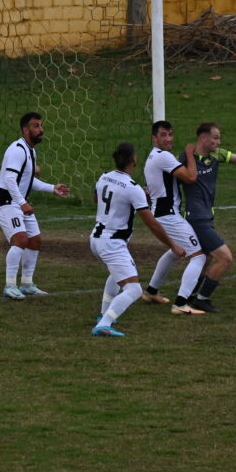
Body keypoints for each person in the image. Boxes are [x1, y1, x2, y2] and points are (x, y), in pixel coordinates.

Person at [89, 143, 185, 337]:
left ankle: (103, 315)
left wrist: (128, 198)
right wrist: (172, 245)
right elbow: (152, 224)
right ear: (134, 160)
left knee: (117, 276)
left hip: (95, 240)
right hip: (112, 243)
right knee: (133, 289)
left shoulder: (104, 176)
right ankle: (104, 324)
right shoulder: (133, 189)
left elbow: (96, 199)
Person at [0, 111, 71, 299]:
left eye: (41, 125)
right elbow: (10, 180)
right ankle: (10, 285)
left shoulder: (30, 151)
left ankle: (26, 283)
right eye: (36, 126)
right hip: (6, 202)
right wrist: (22, 203)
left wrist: (52, 188)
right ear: (25, 130)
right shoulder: (17, 150)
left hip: (17, 202)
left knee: (34, 241)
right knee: (20, 240)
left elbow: (26, 181)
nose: (41, 129)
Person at [178, 122, 236, 313]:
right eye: (215, 137)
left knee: (203, 260)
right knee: (225, 258)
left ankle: (191, 295)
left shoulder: (217, 154)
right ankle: (202, 299)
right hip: (196, 219)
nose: (218, 141)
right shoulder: (184, 158)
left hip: (207, 216)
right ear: (204, 138)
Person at [141, 120, 203, 313]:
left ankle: (151, 291)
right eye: (163, 135)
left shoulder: (152, 156)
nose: (168, 139)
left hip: (161, 212)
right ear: (154, 138)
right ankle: (181, 303)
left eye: (170, 134)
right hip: (168, 215)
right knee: (199, 256)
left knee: (176, 252)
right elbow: (191, 177)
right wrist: (191, 155)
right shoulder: (163, 157)